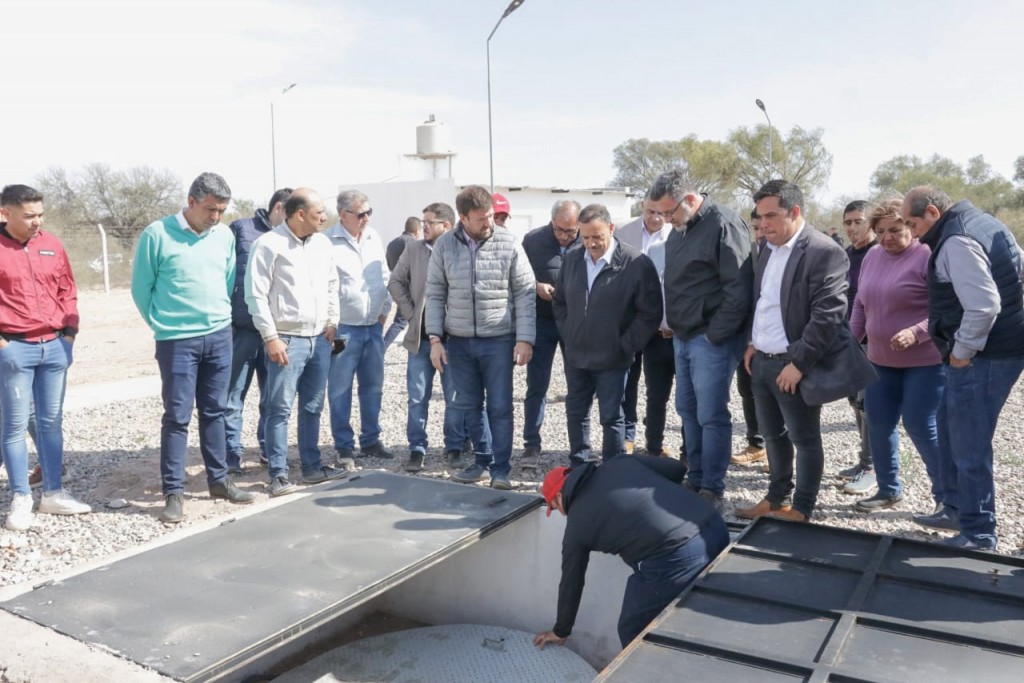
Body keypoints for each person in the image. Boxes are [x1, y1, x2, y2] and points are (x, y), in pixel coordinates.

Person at [738, 179, 870, 522]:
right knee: (771, 435)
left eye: (771, 216)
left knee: (804, 438)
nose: (763, 224)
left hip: (793, 365)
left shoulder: (823, 251)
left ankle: (802, 508)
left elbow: (828, 316)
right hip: (762, 360)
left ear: (794, 212)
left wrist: (799, 363)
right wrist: (753, 342)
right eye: (759, 216)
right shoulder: (767, 248)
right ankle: (776, 498)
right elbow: (764, 302)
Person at [901, 186, 1024, 550]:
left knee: (969, 445)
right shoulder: (984, 222)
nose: (912, 231)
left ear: (933, 214)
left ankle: (978, 533)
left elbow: (984, 305)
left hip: (983, 356)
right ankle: (955, 507)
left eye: (912, 223)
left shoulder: (957, 240)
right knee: (948, 427)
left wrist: (962, 352)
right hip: (999, 349)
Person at [131, 172, 256, 523]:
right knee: (177, 417)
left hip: (219, 336)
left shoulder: (223, 236)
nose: (216, 216)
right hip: (176, 340)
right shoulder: (156, 235)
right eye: (210, 209)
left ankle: (219, 480)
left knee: (216, 410)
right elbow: (142, 288)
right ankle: (174, 492)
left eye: (221, 210)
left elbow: (228, 279)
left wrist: (219, 321)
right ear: (191, 201)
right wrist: (163, 325)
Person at [532, 457, 728, 650]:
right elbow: (676, 468)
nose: (563, 514)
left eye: (555, 508)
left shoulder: (576, 527)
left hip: (678, 554)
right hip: (715, 525)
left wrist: (561, 631)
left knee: (633, 628)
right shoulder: (618, 463)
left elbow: (571, 582)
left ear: (559, 496)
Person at [649, 169, 753, 511]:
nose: (665, 219)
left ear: (691, 200)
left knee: (710, 415)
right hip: (682, 336)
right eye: (662, 213)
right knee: (688, 411)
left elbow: (738, 289)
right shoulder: (680, 229)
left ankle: (712, 485)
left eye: (670, 212)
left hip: (710, 339)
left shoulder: (723, 224)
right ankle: (695, 477)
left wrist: (714, 335)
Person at [424, 185, 536, 491]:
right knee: (469, 405)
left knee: (500, 406)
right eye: (481, 219)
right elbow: (434, 293)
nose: (488, 223)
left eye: (490, 216)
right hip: (458, 342)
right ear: (463, 218)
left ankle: (501, 469)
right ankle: (482, 461)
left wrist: (525, 338)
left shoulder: (510, 242)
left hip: (499, 340)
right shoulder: (446, 245)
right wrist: (435, 339)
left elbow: (525, 293)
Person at [245, 188, 348, 497]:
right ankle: (278, 474)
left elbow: (332, 284)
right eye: (319, 213)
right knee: (279, 409)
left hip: (320, 338)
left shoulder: (322, 243)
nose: (325, 217)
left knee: (314, 406)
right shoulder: (268, 245)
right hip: (287, 340)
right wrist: (271, 336)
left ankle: (312, 467)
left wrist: (332, 321)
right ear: (300, 214)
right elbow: (256, 296)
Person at [1, 184, 89, 531]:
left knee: (51, 422)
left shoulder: (52, 244)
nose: (37, 222)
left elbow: (68, 290)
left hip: (53, 345)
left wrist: (68, 334)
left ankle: (53, 492)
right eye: (29, 216)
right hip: (14, 349)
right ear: (6, 213)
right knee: (14, 426)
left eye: (41, 214)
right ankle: (21, 496)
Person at [849, 198, 944, 512]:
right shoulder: (873, 256)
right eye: (880, 231)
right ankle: (889, 490)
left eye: (895, 229)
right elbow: (861, 303)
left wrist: (916, 332)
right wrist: (850, 341)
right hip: (879, 360)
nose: (887, 237)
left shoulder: (928, 256)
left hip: (925, 362)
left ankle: (949, 499)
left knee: (920, 425)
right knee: (879, 423)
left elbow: (944, 311)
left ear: (911, 228)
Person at [553, 204, 662, 464]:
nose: (591, 244)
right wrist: (570, 333)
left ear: (611, 229)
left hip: (614, 357)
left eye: (597, 237)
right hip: (577, 355)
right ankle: (578, 466)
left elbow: (649, 313)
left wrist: (625, 345)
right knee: (576, 412)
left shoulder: (636, 263)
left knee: (612, 416)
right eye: (585, 237)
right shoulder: (572, 259)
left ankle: (613, 470)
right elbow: (559, 302)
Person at [388, 202, 488, 472]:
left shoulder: (460, 249)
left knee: (454, 397)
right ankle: (416, 448)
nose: (424, 227)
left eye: (430, 222)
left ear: (446, 225)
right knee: (417, 396)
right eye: (423, 222)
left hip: (454, 339)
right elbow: (395, 282)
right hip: (420, 340)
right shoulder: (413, 249)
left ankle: (454, 447)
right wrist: (411, 314)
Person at [225, 187, 291, 473]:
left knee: (272, 396)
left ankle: (266, 447)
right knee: (232, 397)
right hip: (242, 330)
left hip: (275, 334)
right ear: (278, 208)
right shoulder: (242, 229)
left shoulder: (292, 239)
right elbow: (224, 274)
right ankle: (230, 456)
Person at [326, 190, 393, 462]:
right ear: (343, 215)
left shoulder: (374, 237)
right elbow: (324, 286)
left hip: (373, 328)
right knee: (340, 389)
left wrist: (384, 311)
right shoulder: (327, 242)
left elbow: (384, 275)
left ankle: (371, 440)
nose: (366, 218)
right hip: (344, 329)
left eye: (369, 212)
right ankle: (344, 445)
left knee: (373, 387)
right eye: (360, 213)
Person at [520, 199, 582, 470]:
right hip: (542, 321)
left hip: (574, 323)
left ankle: (579, 447)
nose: (565, 236)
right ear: (551, 222)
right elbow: (518, 275)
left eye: (571, 231)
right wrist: (536, 286)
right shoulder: (532, 241)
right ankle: (531, 444)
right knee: (537, 384)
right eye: (560, 230)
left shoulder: (587, 239)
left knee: (578, 385)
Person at [617, 196, 676, 456]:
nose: (655, 218)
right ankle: (627, 435)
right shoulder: (623, 233)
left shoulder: (679, 234)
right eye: (650, 211)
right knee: (629, 380)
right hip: (632, 322)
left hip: (665, 329)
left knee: (659, 391)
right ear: (642, 206)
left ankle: (658, 444)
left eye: (661, 213)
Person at [837, 200, 876, 495]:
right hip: (847, 339)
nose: (852, 228)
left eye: (858, 221)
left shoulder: (879, 255)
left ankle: (873, 467)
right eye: (847, 222)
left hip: (873, 341)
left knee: (870, 406)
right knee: (856, 402)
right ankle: (864, 461)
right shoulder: (846, 255)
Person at [731, 209, 767, 467]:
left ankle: (781, 452)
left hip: (776, 341)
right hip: (746, 336)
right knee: (748, 391)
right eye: (755, 227)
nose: (760, 232)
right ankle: (757, 444)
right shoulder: (746, 254)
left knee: (777, 396)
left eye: (764, 225)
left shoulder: (785, 254)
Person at [383, 216, 422, 349]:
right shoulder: (413, 244)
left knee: (406, 319)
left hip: (397, 286)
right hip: (411, 288)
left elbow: (388, 264)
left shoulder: (392, 244)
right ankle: (381, 348)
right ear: (417, 230)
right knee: (401, 321)